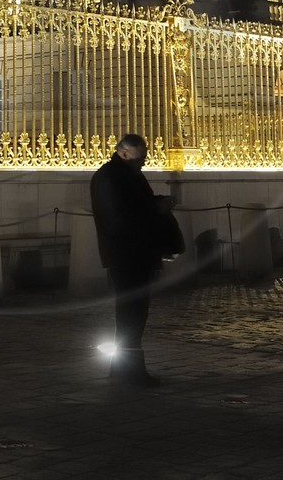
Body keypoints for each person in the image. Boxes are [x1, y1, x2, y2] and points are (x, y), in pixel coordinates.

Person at [91, 134, 170, 386]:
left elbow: (138, 205)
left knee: (131, 314)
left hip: (133, 253)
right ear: (124, 153)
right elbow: (122, 218)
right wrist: (155, 209)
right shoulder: (111, 177)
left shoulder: (125, 174)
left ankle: (122, 368)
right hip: (127, 254)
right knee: (131, 315)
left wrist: (157, 203)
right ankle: (131, 372)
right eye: (141, 158)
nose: (143, 163)